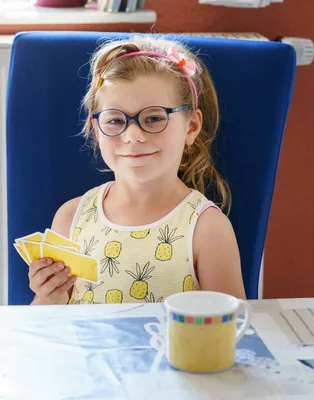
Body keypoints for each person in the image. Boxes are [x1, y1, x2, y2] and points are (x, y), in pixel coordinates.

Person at [28, 35, 246, 305]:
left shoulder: (207, 229)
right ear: (96, 130)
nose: (133, 135)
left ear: (191, 127)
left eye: (154, 118)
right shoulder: (71, 218)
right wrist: (48, 295)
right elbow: (45, 327)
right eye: (116, 120)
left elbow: (230, 332)